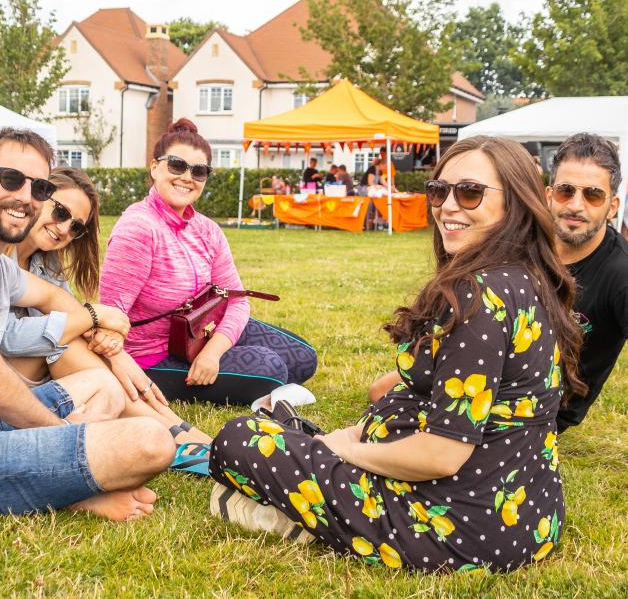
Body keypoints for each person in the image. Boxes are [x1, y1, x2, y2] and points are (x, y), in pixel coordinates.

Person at [209, 136, 585, 572]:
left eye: (470, 192)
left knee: (237, 439)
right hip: (530, 517)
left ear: (515, 204)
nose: (448, 206)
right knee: (291, 437)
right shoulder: (528, 278)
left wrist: (342, 451)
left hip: (453, 527)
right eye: (439, 191)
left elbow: (441, 455)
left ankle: (295, 512)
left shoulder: (479, 297)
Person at [0, 127, 175, 522]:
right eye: (11, 179)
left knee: (103, 387)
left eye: (39, 188)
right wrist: (61, 433)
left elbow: (52, 297)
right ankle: (68, 486)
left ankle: (52, 474)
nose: (25, 197)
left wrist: (96, 320)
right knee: (151, 443)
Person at [2, 165, 213, 470]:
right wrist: (93, 317)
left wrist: (116, 354)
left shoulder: (46, 260)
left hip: (35, 373)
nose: (64, 229)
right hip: (0, 377)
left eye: (75, 227)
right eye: (60, 212)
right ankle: (175, 436)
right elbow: (6, 338)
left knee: (78, 340)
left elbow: (72, 315)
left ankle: (181, 429)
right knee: (63, 344)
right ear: (40, 195)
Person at [100, 119, 318, 406]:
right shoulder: (138, 228)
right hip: (154, 356)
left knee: (303, 359)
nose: (187, 177)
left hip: (204, 331)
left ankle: (248, 374)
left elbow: (238, 299)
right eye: (177, 165)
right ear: (155, 167)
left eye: (199, 171)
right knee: (272, 368)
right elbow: (109, 317)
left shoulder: (206, 229)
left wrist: (213, 352)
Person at [545, 133, 628, 433]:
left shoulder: (621, 274)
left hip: (543, 414)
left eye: (593, 195)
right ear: (549, 196)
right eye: (566, 191)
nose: (576, 205)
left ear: (613, 205)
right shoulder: (524, 245)